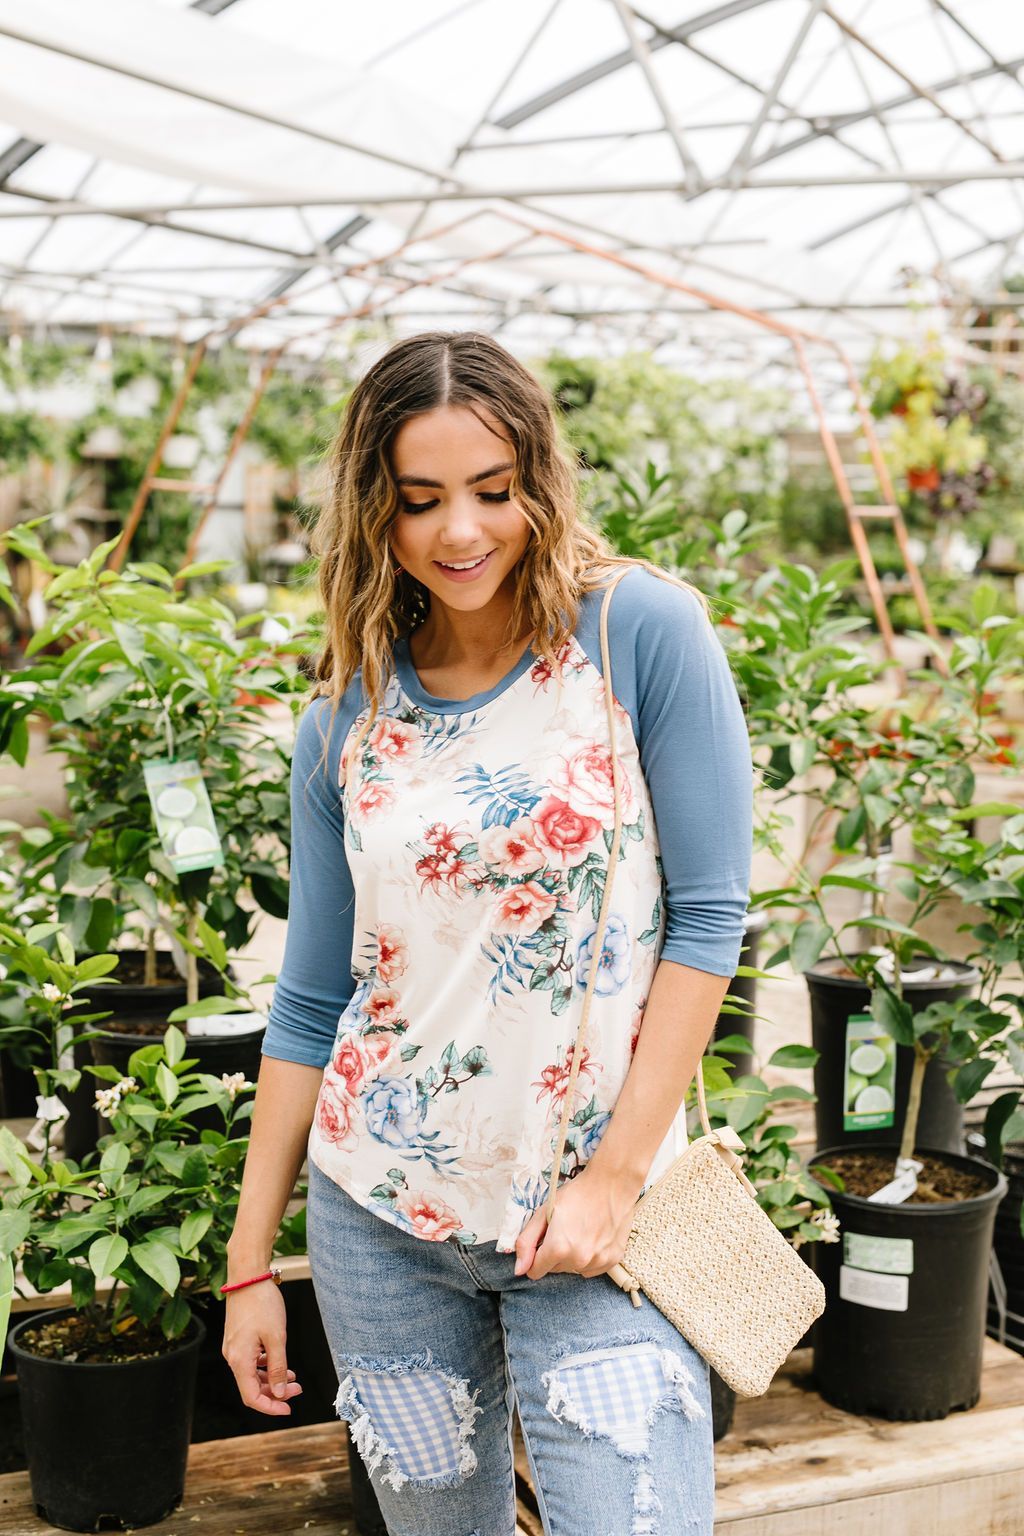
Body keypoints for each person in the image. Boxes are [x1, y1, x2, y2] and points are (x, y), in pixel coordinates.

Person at [222, 330, 754, 1536]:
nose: (459, 531)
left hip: (592, 1226)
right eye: (419, 502)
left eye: (492, 491)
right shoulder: (344, 713)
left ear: (538, 484)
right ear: (375, 513)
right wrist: (251, 1264)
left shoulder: (634, 634)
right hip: (380, 1225)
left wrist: (616, 1181)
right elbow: (311, 1000)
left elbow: (711, 917)